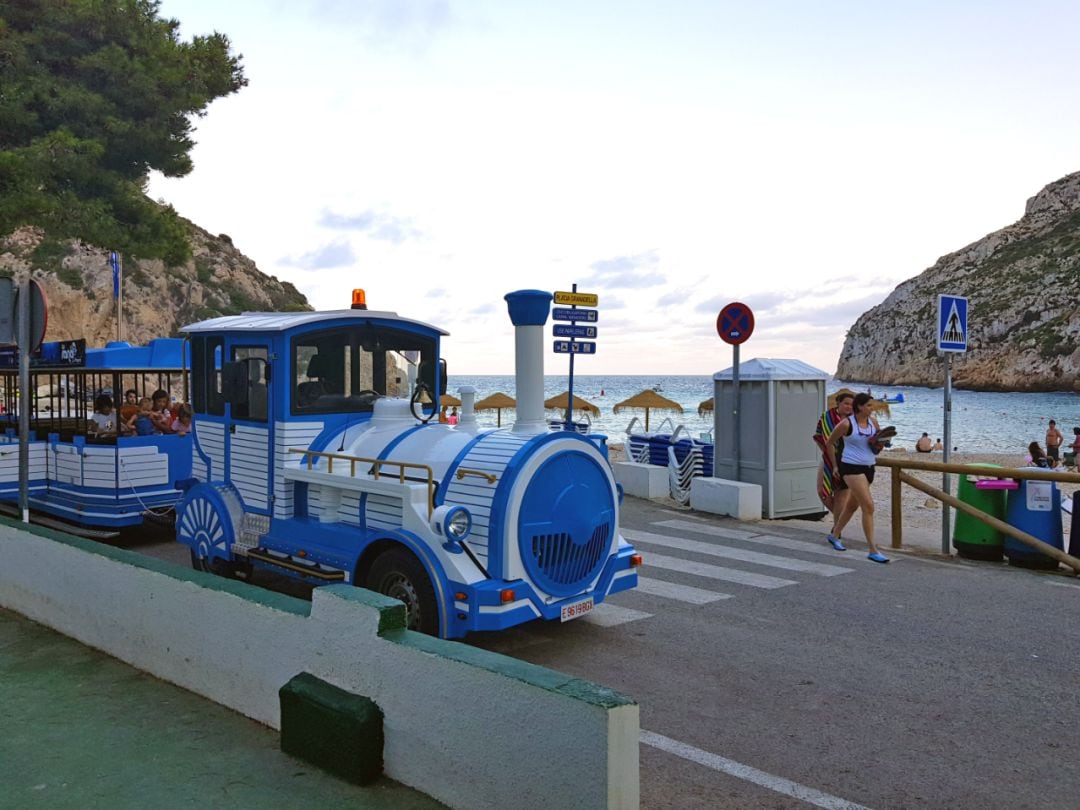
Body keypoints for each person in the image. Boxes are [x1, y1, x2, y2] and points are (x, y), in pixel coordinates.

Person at [826, 392, 889, 563]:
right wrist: (835, 465)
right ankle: (872, 549)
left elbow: (877, 443)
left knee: (852, 506)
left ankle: (834, 534)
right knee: (868, 506)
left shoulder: (873, 423)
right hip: (851, 467)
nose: (872, 408)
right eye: (868, 405)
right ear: (860, 407)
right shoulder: (846, 424)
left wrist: (882, 443)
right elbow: (830, 442)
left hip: (869, 466)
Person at [812, 390, 855, 551]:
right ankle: (842, 519)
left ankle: (836, 532)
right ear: (838, 403)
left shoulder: (855, 421)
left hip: (847, 462)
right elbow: (818, 436)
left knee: (841, 497)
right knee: (822, 492)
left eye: (851, 404)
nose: (848, 407)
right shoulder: (827, 417)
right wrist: (827, 454)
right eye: (846, 403)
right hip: (828, 460)